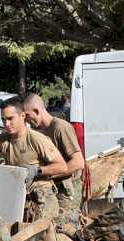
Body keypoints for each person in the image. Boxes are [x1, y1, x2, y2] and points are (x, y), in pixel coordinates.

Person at [23, 93, 85, 229]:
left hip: (66, 191)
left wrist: (49, 173)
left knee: (65, 231)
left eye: (27, 116)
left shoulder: (60, 127)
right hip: (48, 191)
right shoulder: (35, 131)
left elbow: (78, 162)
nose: (26, 120)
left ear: (37, 111)